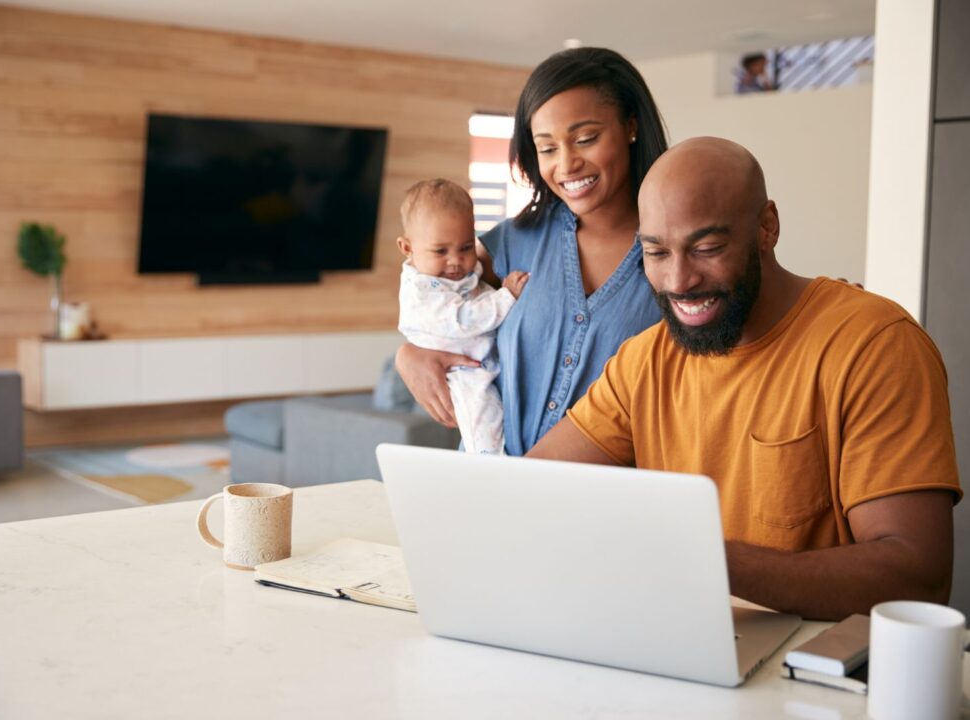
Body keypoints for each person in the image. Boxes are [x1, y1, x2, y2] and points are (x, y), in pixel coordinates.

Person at [529, 137, 962, 621]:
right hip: (682, 647)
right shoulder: (644, 360)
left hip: (815, 672)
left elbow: (917, 578)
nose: (678, 281)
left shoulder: (874, 345)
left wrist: (704, 560)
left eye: (707, 248)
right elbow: (528, 491)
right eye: (655, 253)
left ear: (767, 228)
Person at [396, 47, 668, 456]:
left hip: (612, 501)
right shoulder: (513, 242)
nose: (567, 164)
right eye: (547, 148)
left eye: (586, 139)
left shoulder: (675, 254)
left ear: (631, 125)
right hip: (498, 489)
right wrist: (409, 355)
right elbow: (434, 301)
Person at [396, 179, 529, 454]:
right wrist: (507, 296)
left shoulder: (450, 275)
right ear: (407, 248)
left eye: (466, 247)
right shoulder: (421, 292)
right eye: (441, 251)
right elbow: (464, 320)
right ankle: (490, 466)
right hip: (460, 372)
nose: (455, 261)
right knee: (484, 422)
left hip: (478, 361)